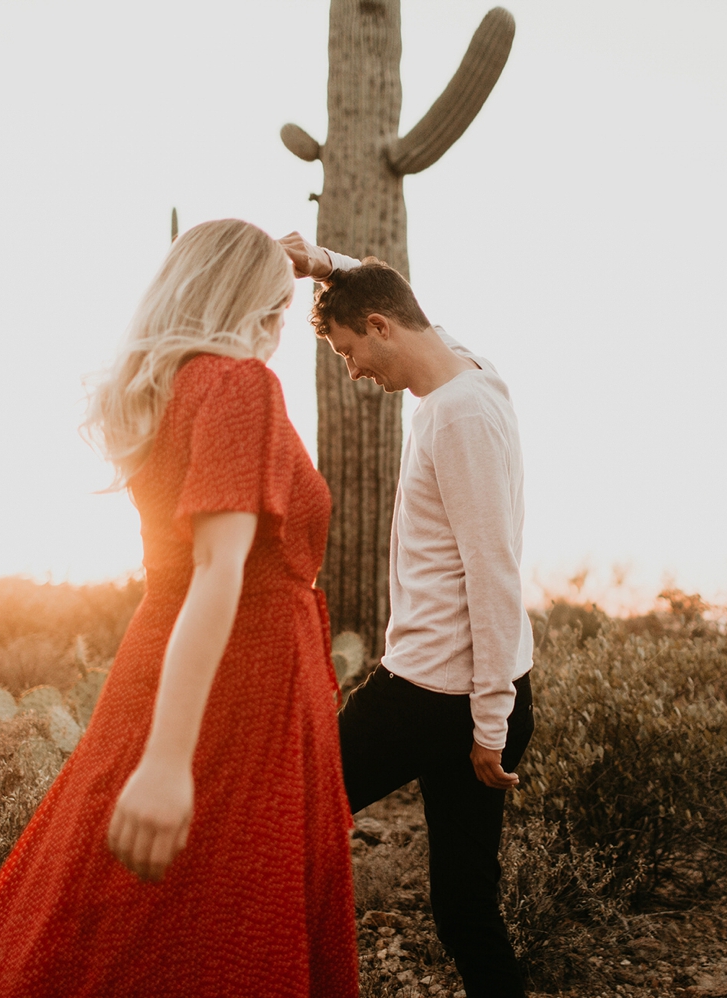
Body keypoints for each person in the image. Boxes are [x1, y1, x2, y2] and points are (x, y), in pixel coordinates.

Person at [0, 219, 359, 998]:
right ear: (255, 308)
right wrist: (166, 764)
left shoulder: (176, 383)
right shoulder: (240, 385)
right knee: (215, 931)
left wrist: (306, 261)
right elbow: (216, 572)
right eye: (280, 315)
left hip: (173, 665)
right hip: (238, 684)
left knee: (120, 922)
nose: (281, 334)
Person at [282, 235, 535, 998]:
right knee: (464, 912)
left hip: (436, 699)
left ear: (382, 327)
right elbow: (412, 307)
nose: (353, 371)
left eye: (351, 352)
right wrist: (328, 265)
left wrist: (488, 725)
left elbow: (492, 570)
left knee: (287, 819)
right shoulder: (475, 376)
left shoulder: (456, 415)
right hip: (473, 691)